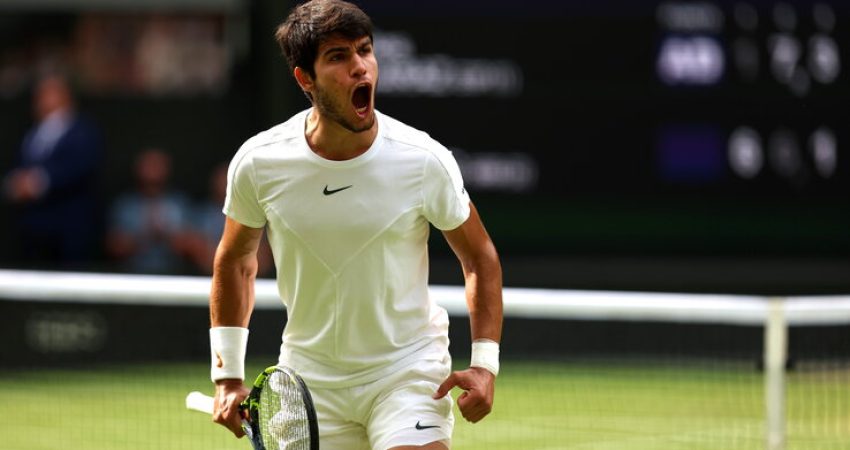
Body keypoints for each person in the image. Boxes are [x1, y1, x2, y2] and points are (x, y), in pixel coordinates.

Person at [209, 1, 503, 449]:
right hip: (310, 382)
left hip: (407, 370)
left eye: (365, 50)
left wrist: (484, 365)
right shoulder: (258, 162)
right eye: (338, 56)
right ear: (305, 79)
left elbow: (480, 258)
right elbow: (235, 262)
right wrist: (227, 376)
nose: (360, 67)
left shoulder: (425, 160)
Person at [3, 73, 103, 268]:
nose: (40, 100)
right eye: (38, 95)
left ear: (65, 96)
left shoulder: (83, 130)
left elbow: (80, 166)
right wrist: (15, 183)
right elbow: (22, 166)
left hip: (70, 227)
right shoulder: (33, 133)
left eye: (47, 93)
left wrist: (38, 182)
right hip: (35, 227)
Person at [105, 148, 193, 274]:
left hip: (172, 276)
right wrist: (145, 234)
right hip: (133, 276)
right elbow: (114, 248)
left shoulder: (180, 204)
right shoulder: (125, 206)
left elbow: (195, 248)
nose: (153, 171)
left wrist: (165, 234)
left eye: (157, 165)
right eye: (149, 165)